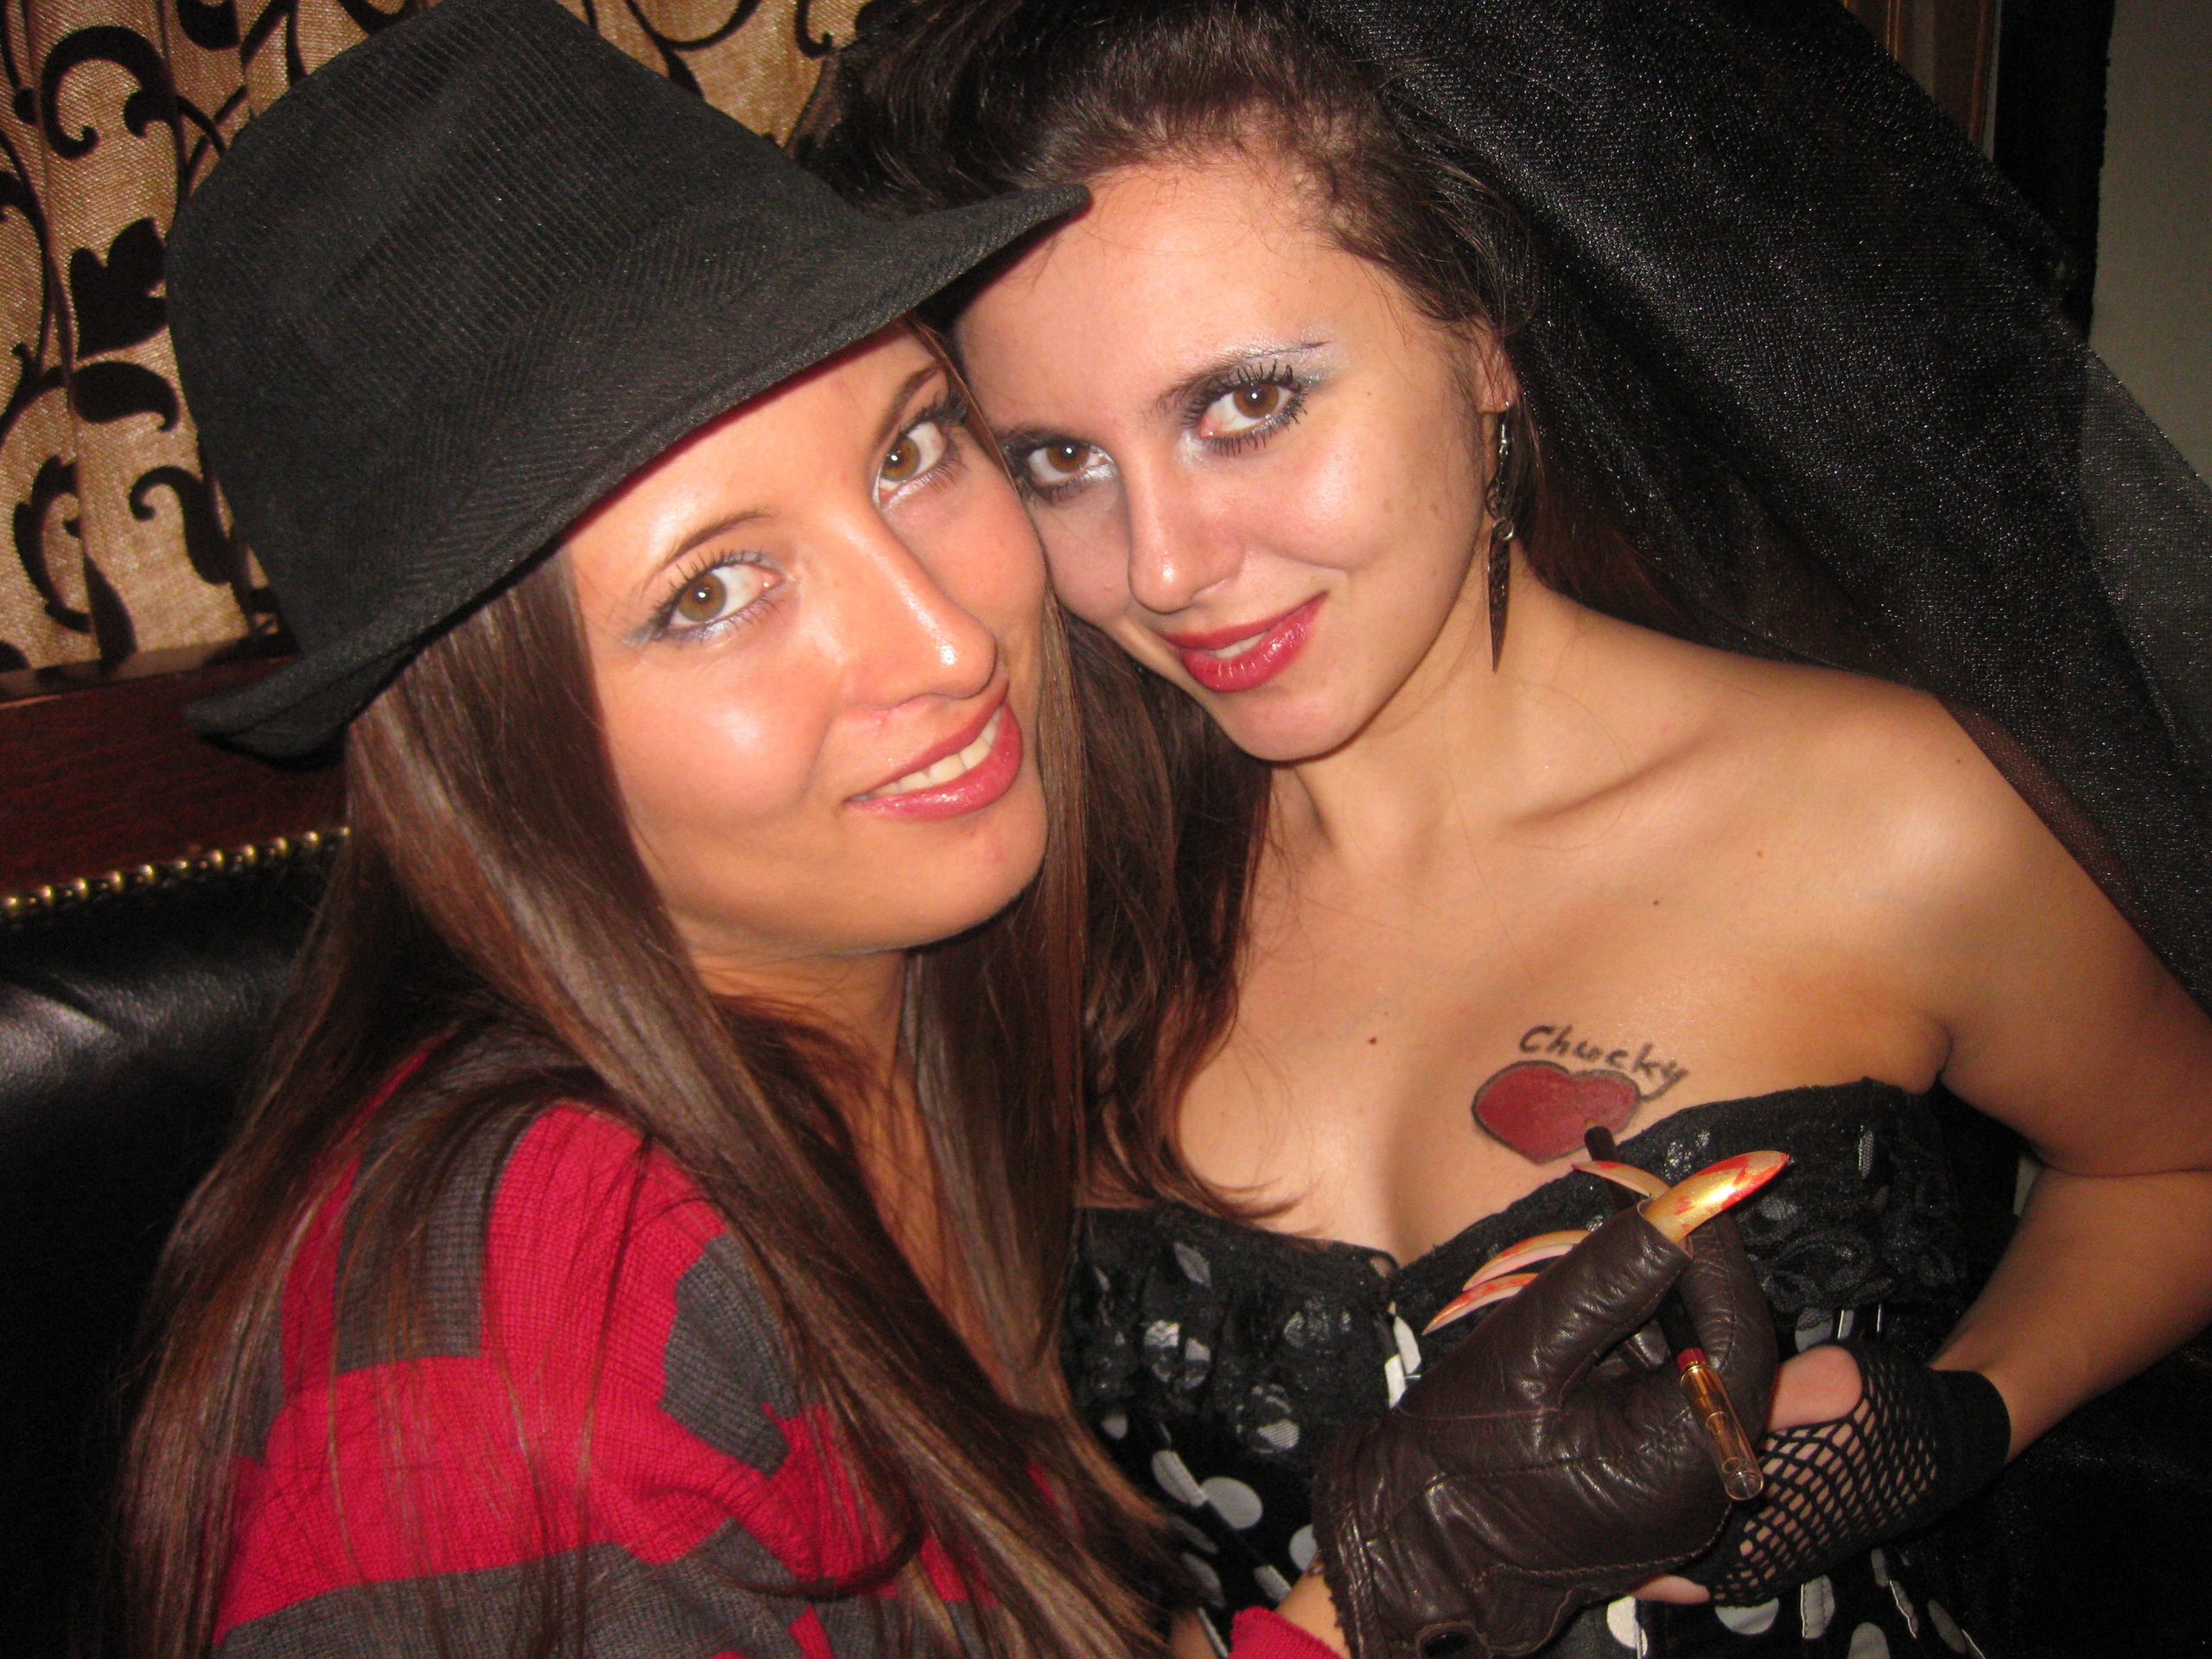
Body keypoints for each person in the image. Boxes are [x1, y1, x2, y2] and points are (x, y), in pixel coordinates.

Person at [112, 3, 1780, 1657]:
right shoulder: (519, 1346)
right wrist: (1397, 1585)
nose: (949, 642)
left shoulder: (938, 1025)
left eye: (912, 450)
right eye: (712, 593)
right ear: (488, 743)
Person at [810, 0, 2212, 1653]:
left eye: (1246, 403)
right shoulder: (1030, 914)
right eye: (1059, 460)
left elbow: (2173, 1161)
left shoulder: (1895, 815)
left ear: (1483, 340)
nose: (1164, 564)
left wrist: (1967, 1412)